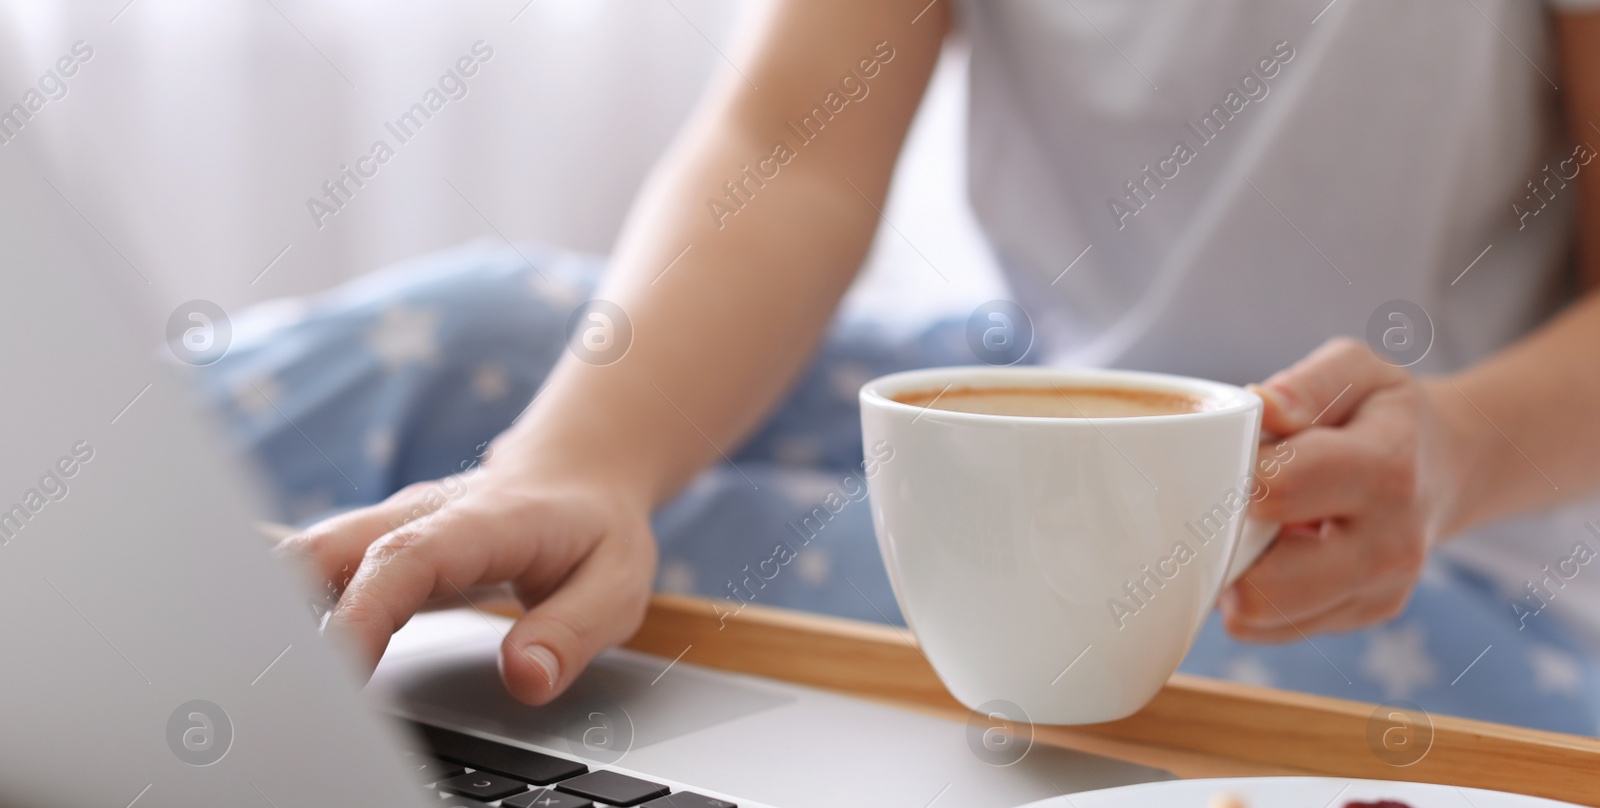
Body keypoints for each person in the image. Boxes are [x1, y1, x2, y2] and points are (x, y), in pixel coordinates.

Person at [208, 0, 1600, 733]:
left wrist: (1456, 452)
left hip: (1458, 550)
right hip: (1040, 374)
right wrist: (580, 467)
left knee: (746, 574)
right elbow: (790, 148)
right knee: (485, 346)